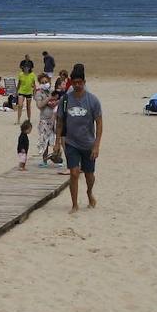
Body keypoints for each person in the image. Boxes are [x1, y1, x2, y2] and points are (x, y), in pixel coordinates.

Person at [56, 63, 102, 212]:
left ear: (84, 82)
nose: (77, 85)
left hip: (88, 143)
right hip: (71, 143)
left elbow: (99, 124)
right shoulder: (65, 100)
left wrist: (96, 145)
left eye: (80, 83)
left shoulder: (93, 100)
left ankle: (89, 192)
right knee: (74, 173)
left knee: (89, 175)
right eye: (74, 83)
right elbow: (60, 122)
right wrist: (57, 142)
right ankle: (74, 205)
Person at [15, 60, 37, 125]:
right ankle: (18, 120)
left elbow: (34, 84)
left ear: (30, 68)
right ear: (23, 68)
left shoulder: (32, 75)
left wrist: (34, 93)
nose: (26, 68)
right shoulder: (21, 74)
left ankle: (29, 120)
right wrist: (16, 91)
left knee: (28, 107)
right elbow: (19, 84)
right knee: (20, 105)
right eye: (25, 67)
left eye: (27, 67)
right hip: (21, 91)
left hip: (29, 92)